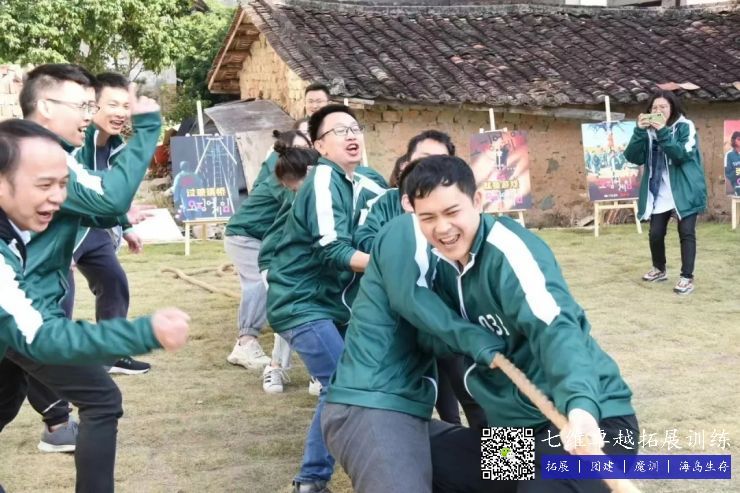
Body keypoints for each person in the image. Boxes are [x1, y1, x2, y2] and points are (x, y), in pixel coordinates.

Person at [402, 156, 638, 493]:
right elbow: (433, 334)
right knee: (425, 456)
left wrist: (581, 407)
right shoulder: (437, 268)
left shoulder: (509, 251)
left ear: (477, 201)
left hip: (593, 427)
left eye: (452, 212)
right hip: (521, 442)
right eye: (428, 218)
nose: (442, 228)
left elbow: (556, 330)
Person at [0, 63, 162, 492]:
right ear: (45, 106)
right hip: (24, 310)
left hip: (27, 306)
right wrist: (148, 129)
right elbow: (108, 200)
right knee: (101, 398)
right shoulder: (39, 157)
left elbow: (103, 207)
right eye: (84, 106)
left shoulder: (45, 155)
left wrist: (120, 219)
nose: (89, 116)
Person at [266, 104, 387, 493]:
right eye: (341, 130)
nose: (352, 135)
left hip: (529, 417)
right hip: (304, 301)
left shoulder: (366, 187)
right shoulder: (324, 180)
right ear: (319, 145)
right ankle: (314, 478)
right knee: (349, 385)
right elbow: (333, 248)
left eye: (355, 128)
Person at [354, 130, 487, 430]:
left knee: (475, 395)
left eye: (440, 160)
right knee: (428, 399)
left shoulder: (474, 230)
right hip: (422, 329)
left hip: (450, 323)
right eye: (422, 160)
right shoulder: (399, 221)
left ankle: (502, 459)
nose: (429, 169)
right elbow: (406, 294)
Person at [224, 87, 329, 379]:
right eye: (300, 144)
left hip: (264, 237)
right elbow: (295, 200)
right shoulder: (281, 171)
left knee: (279, 286)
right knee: (261, 283)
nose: (305, 150)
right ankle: (246, 343)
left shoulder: (300, 169)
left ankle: (283, 358)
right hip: (246, 234)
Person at [62, 71, 150, 375]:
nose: (121, 113)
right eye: (113, 105)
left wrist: (127, 227)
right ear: (92, 105)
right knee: (60, 297)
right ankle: (53, 365)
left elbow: (110, 193)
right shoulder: (74, 141)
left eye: (126, 106)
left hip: (94, 230)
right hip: (65, 229)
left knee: (114, 282)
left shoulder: (115, 146)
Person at [623, 90, 707, 295]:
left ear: (672, 108)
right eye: (654, 107)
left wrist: (662, 131)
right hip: (659, 190)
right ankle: (659, 269)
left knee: (686, 232)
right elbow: (632, 156)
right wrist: (639, 131)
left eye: (663, 107)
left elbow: (681, 155)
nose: (658, 110)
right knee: (655, 233)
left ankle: (686, 277)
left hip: (685, 189)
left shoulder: (685, 126)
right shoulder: (648, 131)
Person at [258, 143, 319, 394]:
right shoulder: (302, 194)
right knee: (290, 315)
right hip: (277, 263)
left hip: (302, 264)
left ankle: (319, 371)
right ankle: (275, 367)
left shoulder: (316, 188)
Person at [725, 131, 740, 196]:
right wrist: (738, 171)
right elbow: (728, 174)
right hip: (736, 187)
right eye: (739, 139)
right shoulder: (729, 155)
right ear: (734, 141)